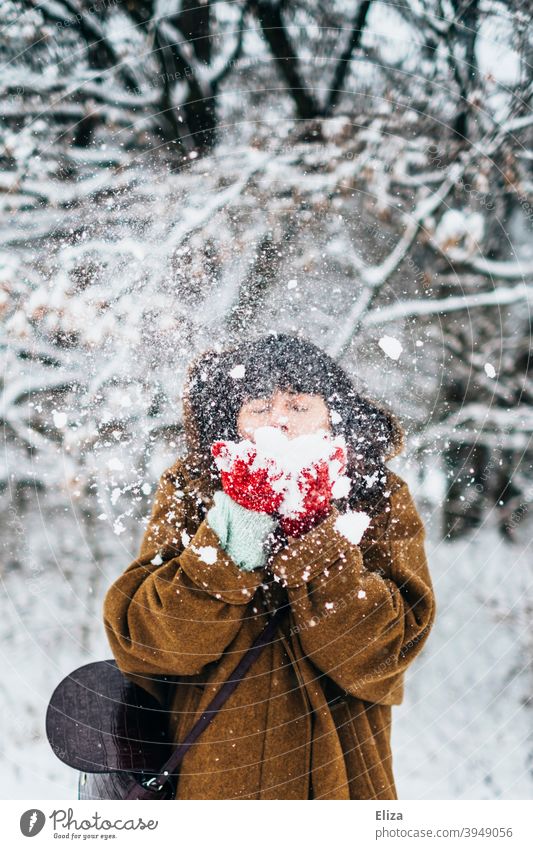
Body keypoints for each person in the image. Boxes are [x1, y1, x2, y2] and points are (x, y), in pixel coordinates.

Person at [103, 332, 436, 800]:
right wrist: (237, 527)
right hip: (207, 783)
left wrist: (318, 534)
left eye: (298, 407)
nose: (278, 420)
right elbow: (147, 643)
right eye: (259, 407)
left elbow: (383, 655)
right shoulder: (193, 489)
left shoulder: (377, 498)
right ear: (234, 420)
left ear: (333, 418)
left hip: (339, 784)